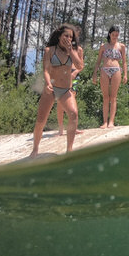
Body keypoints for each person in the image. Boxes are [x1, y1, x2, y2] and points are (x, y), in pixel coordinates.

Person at [31, 24, 84, 157]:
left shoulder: (73, 51)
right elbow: (46, 70)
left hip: (66, 90)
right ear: (59, 36)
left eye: (70, 37)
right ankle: (35, 149)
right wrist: (48, 83)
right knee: (41, 120)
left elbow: (79, 65)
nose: (68, 38)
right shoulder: (50, 50)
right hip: (51, 89)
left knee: (73, 114)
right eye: (66, 35)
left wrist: (71, 50)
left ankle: (69, 150)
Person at [91, 25, 127, 129]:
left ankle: (111, 121)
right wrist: (94, 74)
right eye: (113, 34)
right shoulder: (103, 46)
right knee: (105, 97)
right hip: (104, 70)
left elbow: (124, 61)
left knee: (113, 97)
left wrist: (125, 74)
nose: (115, 36)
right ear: (109, 34)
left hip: (116, 70)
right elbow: (98, 62)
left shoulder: (121, 46)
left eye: (116, 34)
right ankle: (104, 122)